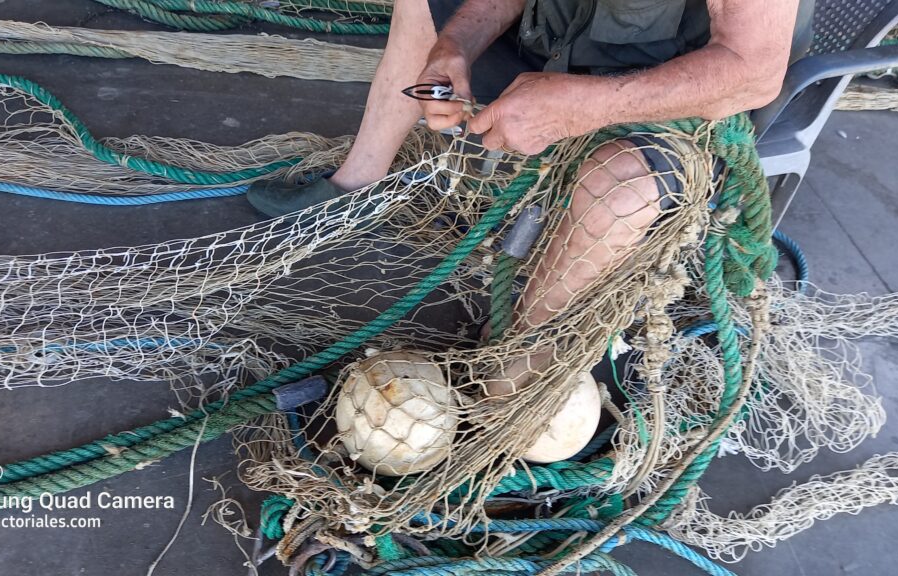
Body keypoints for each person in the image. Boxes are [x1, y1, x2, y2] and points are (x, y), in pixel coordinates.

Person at [249, 0, 813, 386]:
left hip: (684, 98)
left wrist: (576, 106)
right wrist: (454, 46)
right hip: (566, 49)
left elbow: (753, 70)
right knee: (421, 6)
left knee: (617, 187)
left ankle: (514, 374)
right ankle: (359, 180)